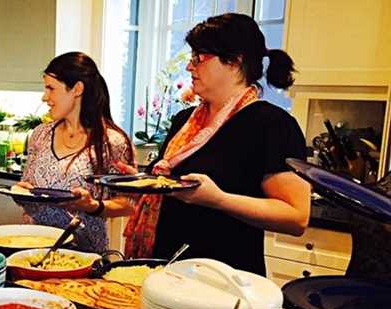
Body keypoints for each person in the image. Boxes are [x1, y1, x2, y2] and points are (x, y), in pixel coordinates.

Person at [73, 13, 310, 275]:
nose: (189, 66)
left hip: (224, 278)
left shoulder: (271, 124)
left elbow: (296, 216)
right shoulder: (185, 121)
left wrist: (219, 200)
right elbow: (172, 187)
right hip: (165, 270)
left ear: (234, 61)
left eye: (199, 58)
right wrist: (145, 183)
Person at [18, 52, 135, 253]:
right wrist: (22, 192)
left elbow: (128, 203)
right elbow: (27, 185)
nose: (45, 97)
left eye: (51, 88)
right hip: (35, 246)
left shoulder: (112, 142)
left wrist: (93, 206)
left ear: (77, 89)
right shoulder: (40, 134)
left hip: (83, 253)